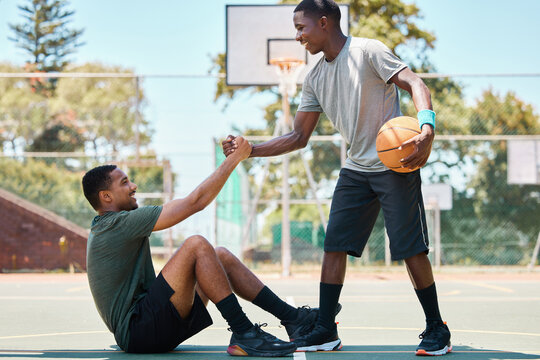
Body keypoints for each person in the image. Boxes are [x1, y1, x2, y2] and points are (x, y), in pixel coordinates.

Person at [222, 0, 451, 356]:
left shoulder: (368, 51)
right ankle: (326, 329)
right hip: (357, 168)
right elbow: (298, 137)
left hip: (394, 164)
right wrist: (250, 150)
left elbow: (414, 82)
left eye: (301, 28)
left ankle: (437, 327)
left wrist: (427, 128)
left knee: (409, 249)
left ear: (324, 22)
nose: (297, 36)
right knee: (334, 245)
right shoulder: (314, 77)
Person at [81, 136, 322, 357]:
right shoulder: (114, 224)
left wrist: (234, 158)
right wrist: (236, 159)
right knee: (196, 245)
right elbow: (196, 202)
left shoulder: (111, 225)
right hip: (140, 331)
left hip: (151, 327)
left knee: (221, 256)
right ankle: (244, 332)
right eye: (124, 183)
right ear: (107, 197)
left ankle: (294, 319)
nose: (133, 186)